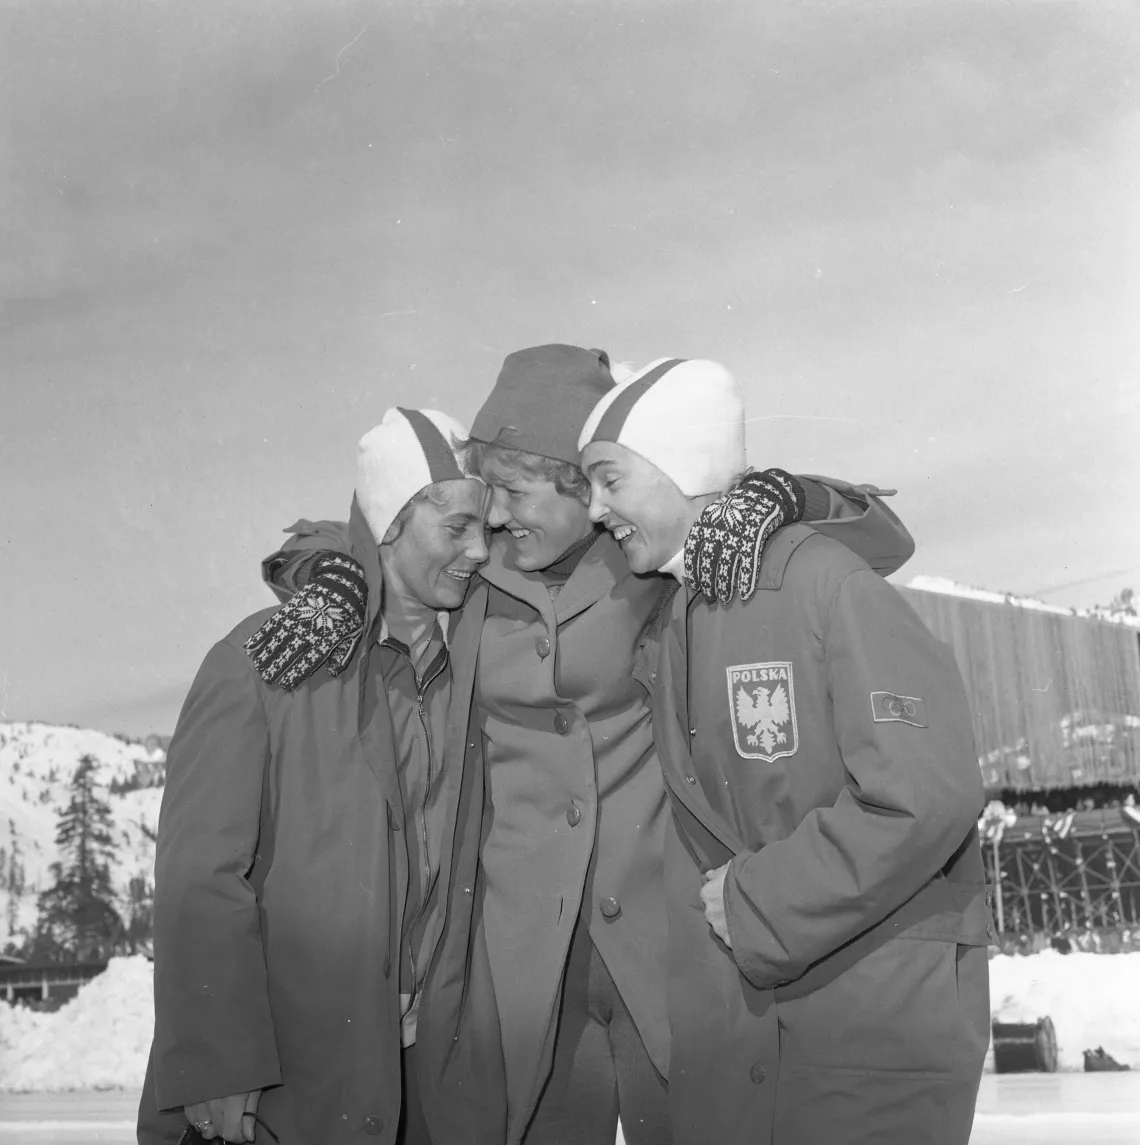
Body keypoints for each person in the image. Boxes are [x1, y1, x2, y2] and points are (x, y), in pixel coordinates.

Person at [254, 345, 917, 1145]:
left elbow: (882, 542)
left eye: (514, 491)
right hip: (523, 960)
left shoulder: (648, 547)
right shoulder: (475, 565)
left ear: (583, 482)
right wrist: (333, 574)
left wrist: (777, 496)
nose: (493, 514)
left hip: (670, 945)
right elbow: (366, 531)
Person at [579, 357, 992, 1145]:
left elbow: (924, 792)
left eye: (611, 479)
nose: (598, 509)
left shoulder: (823, 585)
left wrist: (761, 900)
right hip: (756, 1036)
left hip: (865, 1026)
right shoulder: (683, 610)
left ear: (682, 466)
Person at [137, 408, 493, 1145]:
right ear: (392, 523)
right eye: (457, 527)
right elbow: (199, 875)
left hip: (428, 1078)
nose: (480, 549)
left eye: (484, 526)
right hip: (285, 1079)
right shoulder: (264, 660)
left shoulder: (477, 669)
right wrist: (216, 1059)